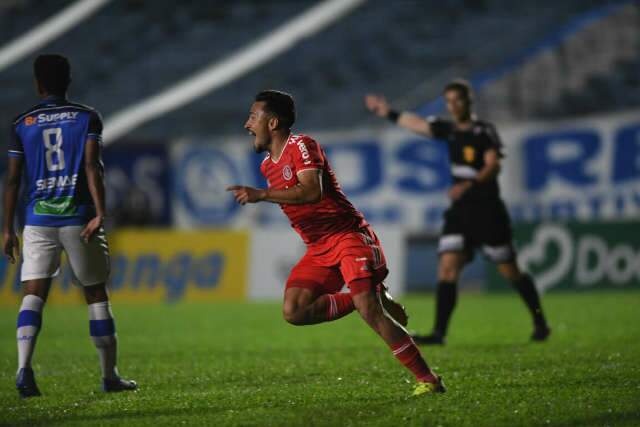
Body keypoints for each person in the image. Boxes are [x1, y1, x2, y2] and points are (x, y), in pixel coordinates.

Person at [228, 90, 445, 396]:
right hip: (319, 248)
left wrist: (261, 195)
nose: (247, 124)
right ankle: (370, 297)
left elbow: (311, 192)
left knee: (370, 312)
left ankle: (429, 380)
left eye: (253, 117)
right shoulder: (267, 166)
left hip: (348, 237)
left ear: (273, 122)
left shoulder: (302, 145)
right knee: (294, 311)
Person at [364, 80, 550, 345]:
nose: (453, 106)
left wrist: (469, 184)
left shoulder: (483, 130)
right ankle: (439, 333)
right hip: (460, 212)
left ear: (468, 101)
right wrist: (387, 112)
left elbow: (493, 165)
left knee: (510, 271)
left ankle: (540, 321)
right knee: (447, 269)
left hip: (488, 210)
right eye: (448, 101)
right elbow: (418, 125)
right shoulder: (449, 130)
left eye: (457, 100)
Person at [2, 54, 137, 398]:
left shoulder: (22, 123)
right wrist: (100, 212)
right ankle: (109, 376)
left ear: (37, 83)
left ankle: (23, 369)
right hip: (78, 217)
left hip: (38, 219)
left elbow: (13, 181)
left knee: (33, 294)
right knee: (95, 294)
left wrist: (7, 229)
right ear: (68, 81)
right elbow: (93, 166)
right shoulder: (87, 117)